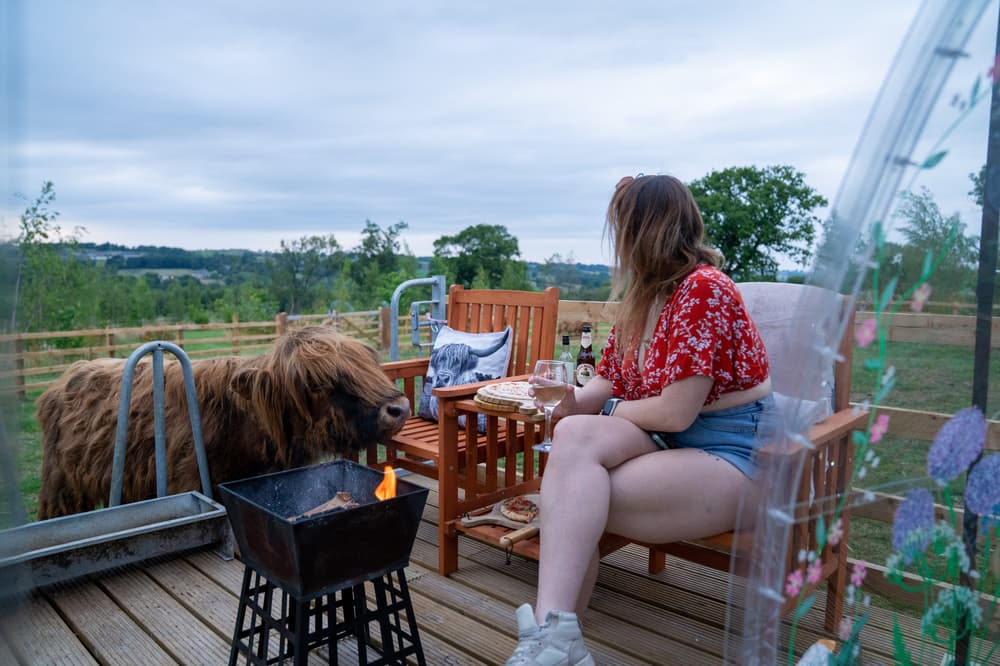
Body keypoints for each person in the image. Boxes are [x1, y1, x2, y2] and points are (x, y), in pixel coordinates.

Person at [506, 174, 774, 666]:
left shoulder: (703, 289)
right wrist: (569, 398)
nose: (619, 244)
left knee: (571, 497)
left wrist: (604, 409)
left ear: (643, 232)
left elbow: (675, 410)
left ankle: (555, 641)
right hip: (668, 444)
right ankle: (555, 635)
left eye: (622, 230)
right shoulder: (645, 300)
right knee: (570, 442)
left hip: (733, 453)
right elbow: (607, 383)